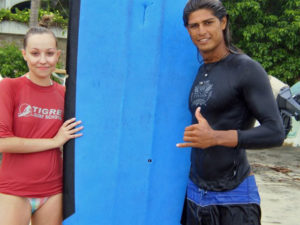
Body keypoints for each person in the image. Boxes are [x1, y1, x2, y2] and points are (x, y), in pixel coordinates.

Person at [176, 0, 285, 224]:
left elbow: (275, 132)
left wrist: (215, 137)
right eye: (194, 26)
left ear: (223, 22)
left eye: (208, 23)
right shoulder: (202, 70)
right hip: (197, 195)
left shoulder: (246, 68)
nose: (201, 31)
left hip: (234, 198)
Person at [0, 27, 83, 225]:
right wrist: (54, 141)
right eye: (35, 53)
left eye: (49, 53)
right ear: (24, 55)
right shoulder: (10, 87)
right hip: (15, 189)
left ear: (58, 55)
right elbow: (3, 142)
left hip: (53, 190)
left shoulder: (65, 95)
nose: (43, 60)